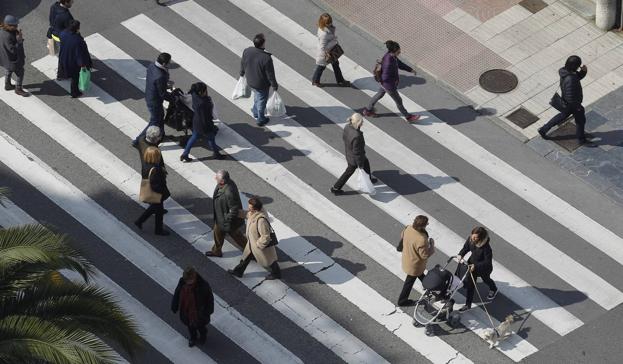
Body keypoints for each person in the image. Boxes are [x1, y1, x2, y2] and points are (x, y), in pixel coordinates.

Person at [538, 55, 594, 146]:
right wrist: (578, 107)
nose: (578, 68)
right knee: (580, 120)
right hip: (573, 104)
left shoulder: (565, 71)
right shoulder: (571, 78)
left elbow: (577, 77)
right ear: (574, 67)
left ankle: (543, 129)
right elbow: (570, 94)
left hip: (568, 103)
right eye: (578, 66)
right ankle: (582, 140)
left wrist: (583, 72)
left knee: (562, 116)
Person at [363, 40, 420, 122]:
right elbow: (385, 77)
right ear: (394, 51)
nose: (400, 52)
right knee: (399, 101)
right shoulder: (388, 62)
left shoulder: (391, 56)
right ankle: (408, 117)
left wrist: (410, 70)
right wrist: (393, 84)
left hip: (385, 84)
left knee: (379, 95)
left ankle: (368, 110)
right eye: (398, 51)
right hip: (389, 85)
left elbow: (399, 64)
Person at [228, 196, 281, 280]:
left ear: (255, 209)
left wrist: (258, 245)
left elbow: (265, 237)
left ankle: (277, 274)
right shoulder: (254, 213)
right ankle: (238, 271)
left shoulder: (261, 221)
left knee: (270, 261)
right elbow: (247, 215)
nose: (248, 209)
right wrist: (237, 212)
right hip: (252, 243)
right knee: (245, 258)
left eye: (250, 208)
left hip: (258, 246)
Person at [133, 52, 174, 147]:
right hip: (154, 100)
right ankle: (138, 140)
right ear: (164, 64)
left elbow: (153, 81)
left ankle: (161, 134)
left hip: (150, 95)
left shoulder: (152, 65)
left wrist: (165, 84)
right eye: (169, 62)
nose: (170, 64)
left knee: (160, 116)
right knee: (154, 121)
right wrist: (173, 98)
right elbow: (162, 93)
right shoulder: (160, 76)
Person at [331, 113, 377, 195]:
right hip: (354, 159)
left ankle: (369, 179)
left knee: (366, 163)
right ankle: (335, 188)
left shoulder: (347, 127)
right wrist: (360, 164)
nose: (363, 123)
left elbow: (344, 138)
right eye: (362, 121)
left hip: (349, 152)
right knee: (349, 172)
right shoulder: (357, 135)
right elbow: (357, 152)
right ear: (358, 123)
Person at [205, 170, 246, 257]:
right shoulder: (224, 184)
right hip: (221, 217)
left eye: (217, 178)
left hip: (227, 220)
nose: (215, 178)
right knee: (217, 233)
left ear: (223, 181)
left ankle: (251, 252)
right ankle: (217, 251)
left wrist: (226, 219)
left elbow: (234, 209)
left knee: (237, 236)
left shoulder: (229, 192)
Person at [456, 226, 498, 312]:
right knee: (471, 286)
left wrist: (476, 266)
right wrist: (460, 254)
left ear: (481, 238)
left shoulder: (486, 249)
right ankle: (468, 305)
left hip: (483, 268)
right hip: (471, 265)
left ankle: (493, 289)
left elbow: (487, 262)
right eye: (472, 235)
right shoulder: (471, 239)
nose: (472, 238)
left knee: (486, 280)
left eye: (475, 237)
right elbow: (465, 248)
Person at [240, 33, 278, 126]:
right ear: (263, 44)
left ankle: (255, 110)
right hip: (261, 84)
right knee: (262, 100)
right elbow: (270, 75)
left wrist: (241, 73)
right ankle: (260, 119)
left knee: (257, 96)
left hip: (250, 80)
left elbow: (243, 63)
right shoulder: (266, 58)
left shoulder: (247, 51)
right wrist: (274, 85)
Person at [397, 215, 435, 306]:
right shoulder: (421, 239)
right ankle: (402, 301)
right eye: (427, 224)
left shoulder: (408, 228)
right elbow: (424, 255)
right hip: (415, 265)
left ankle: (431, 288)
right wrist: (432, 246)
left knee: (421, 276)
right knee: (409, 283)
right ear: (422, 226)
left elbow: (402, 235)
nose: (427, 225)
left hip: (407, 259)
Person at [171, 267, 214, 347]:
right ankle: (193, 338)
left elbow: (209, 299)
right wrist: (174, 306)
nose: (188, 282)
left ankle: (203, 336)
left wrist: (208, 311)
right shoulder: (182, 282)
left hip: (199, 313)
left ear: (194, 277)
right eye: (187, 280)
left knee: (200, 326)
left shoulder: (203, 285)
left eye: (190, 280)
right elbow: (177, 293)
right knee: (190, 327)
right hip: (186, 311)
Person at [180, 82, 222, 162]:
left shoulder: (194, 95)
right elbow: (209, 116)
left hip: (196, 123)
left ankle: (185, 154)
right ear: (201, 92)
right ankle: (216, 154)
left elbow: (192, 90)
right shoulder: (204, 103)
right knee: (211, 139)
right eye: (205, 91)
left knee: (193, 138)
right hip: (205, 125)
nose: (207, 92)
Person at [134, 147, 171, 236]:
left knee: (155, 208)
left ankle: (139, 221)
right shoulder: (155, 169)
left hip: (151, 191)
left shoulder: (146, 165)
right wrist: (162, 192)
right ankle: (158, 230)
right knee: (158, 213)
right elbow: (156, 185)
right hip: (156, 194)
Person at [312, 13, 349, 87]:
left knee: (335, 65)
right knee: (321, 67)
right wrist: (333, 41)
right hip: (325, 54)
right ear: (323, 23)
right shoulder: (324, 34)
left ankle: (340, 81)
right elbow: (323, 47)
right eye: (328, 22)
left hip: (331, 51)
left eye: (330, 21)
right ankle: (315, 80)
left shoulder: (326, 28)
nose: (330, 23)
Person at [58, 20, 91, 98]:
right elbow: (79, 55)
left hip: (63, 56)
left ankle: (61, 76)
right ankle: (74, 92)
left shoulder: (63, 34)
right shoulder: (78, 40)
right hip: (72, 62)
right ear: (77, 29)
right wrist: (83, 65)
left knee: (63, 68)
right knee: (75, 77)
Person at [0, 15, 28, 96]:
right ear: (8, 25)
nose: (16, 27)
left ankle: (7, 85)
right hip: (13, 60)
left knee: (8, 70)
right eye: (14, 25)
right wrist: (19, 41)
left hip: (4, 58)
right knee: (20, 73)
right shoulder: (7, 36)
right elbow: (13, 50)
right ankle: (18, 89)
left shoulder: (2, 31)